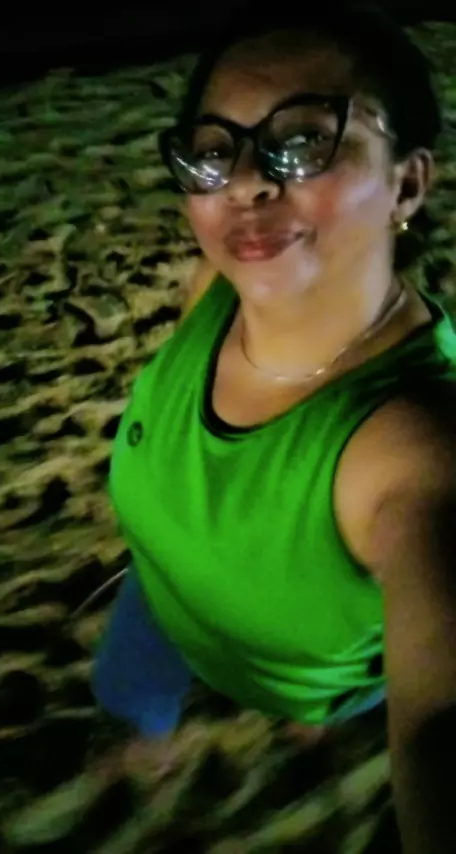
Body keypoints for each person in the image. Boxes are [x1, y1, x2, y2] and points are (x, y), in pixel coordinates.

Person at [93, 4, 456, 851]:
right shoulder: (213, 292)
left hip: (302, 661)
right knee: (131, 694)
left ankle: (309, 710)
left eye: (304, 141)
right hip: (158, 590)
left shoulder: (412, 445)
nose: (246, 181)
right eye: (214, 150)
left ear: (406, 184)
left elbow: (439, 723)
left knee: (320, 697)